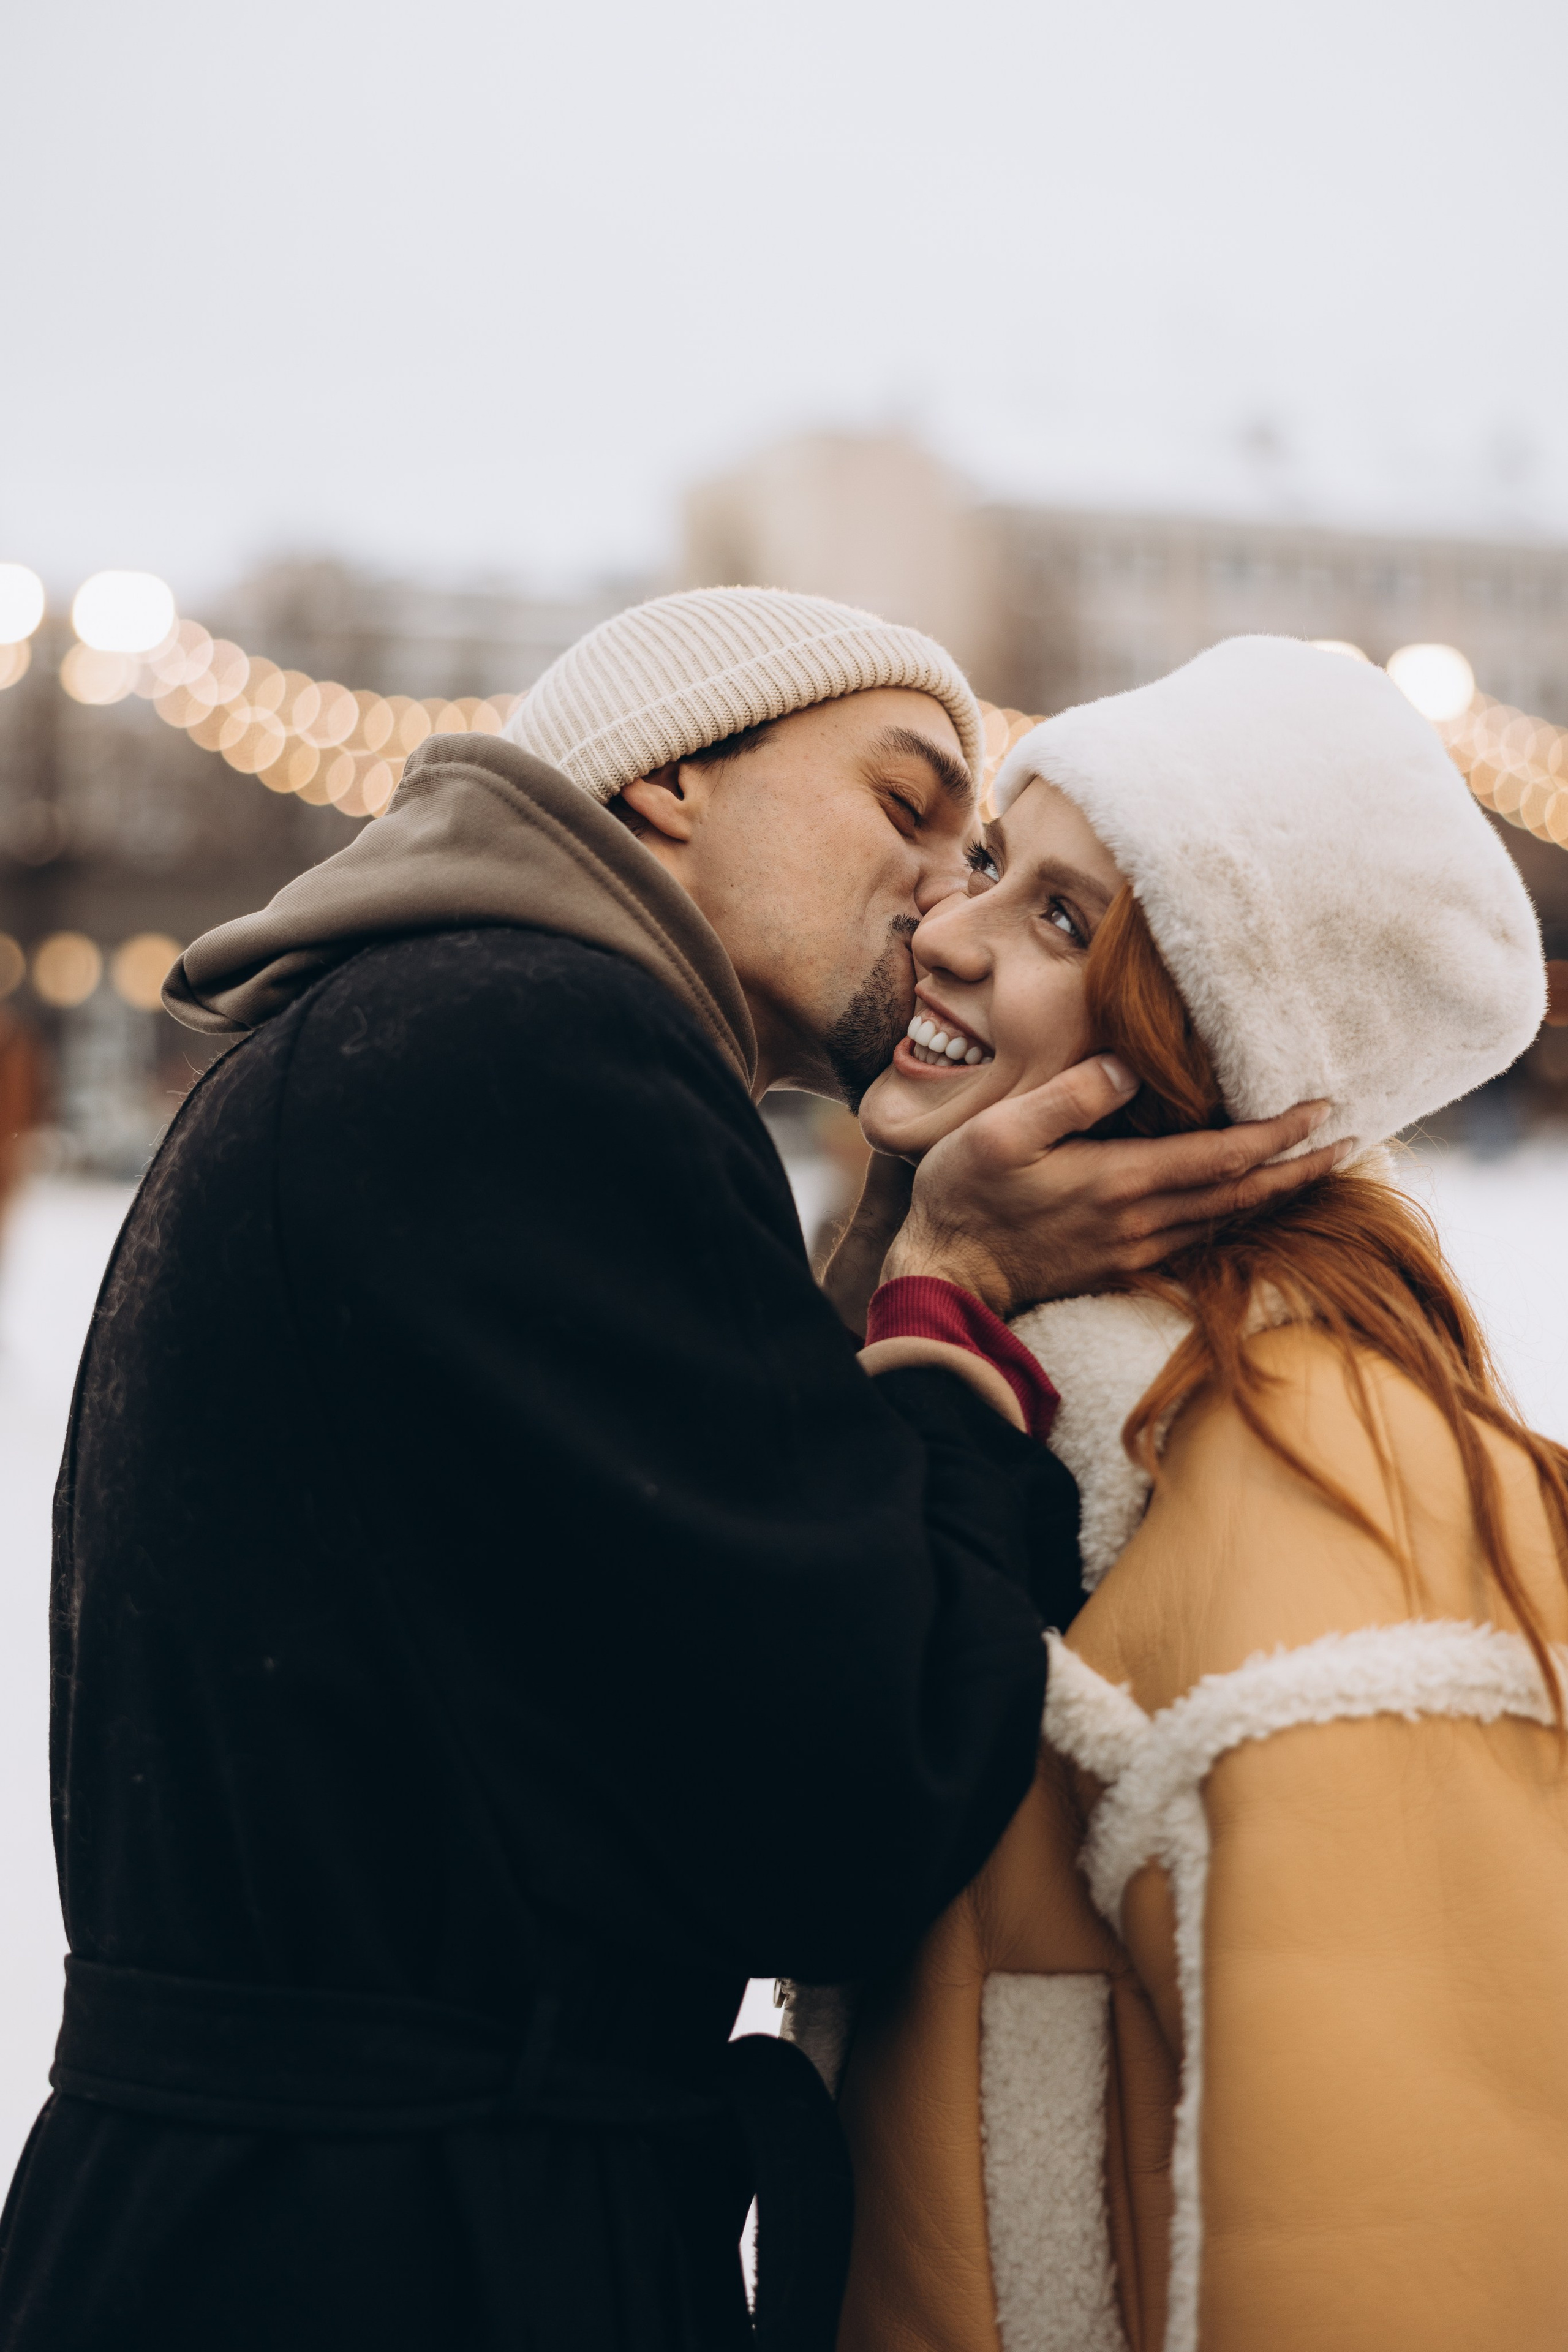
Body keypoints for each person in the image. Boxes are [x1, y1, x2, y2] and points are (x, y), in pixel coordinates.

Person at [0, 593, 1332, 2352]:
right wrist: (956, 1300)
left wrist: (894, 1261)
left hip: (251, 2229)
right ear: (670, 779)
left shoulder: (412, 1034)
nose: (946, 901)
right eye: (906, 805)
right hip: (414, 2260)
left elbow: (670, 1576)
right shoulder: (540, 1048)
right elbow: (853, 1799)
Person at [820, 635, 1565, 2352]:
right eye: (992, 864)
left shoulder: (1329, 1463)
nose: (949, 933)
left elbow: (1401, 2224)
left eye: (1062, 921)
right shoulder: (1030, 1394)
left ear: (1197, 1048)